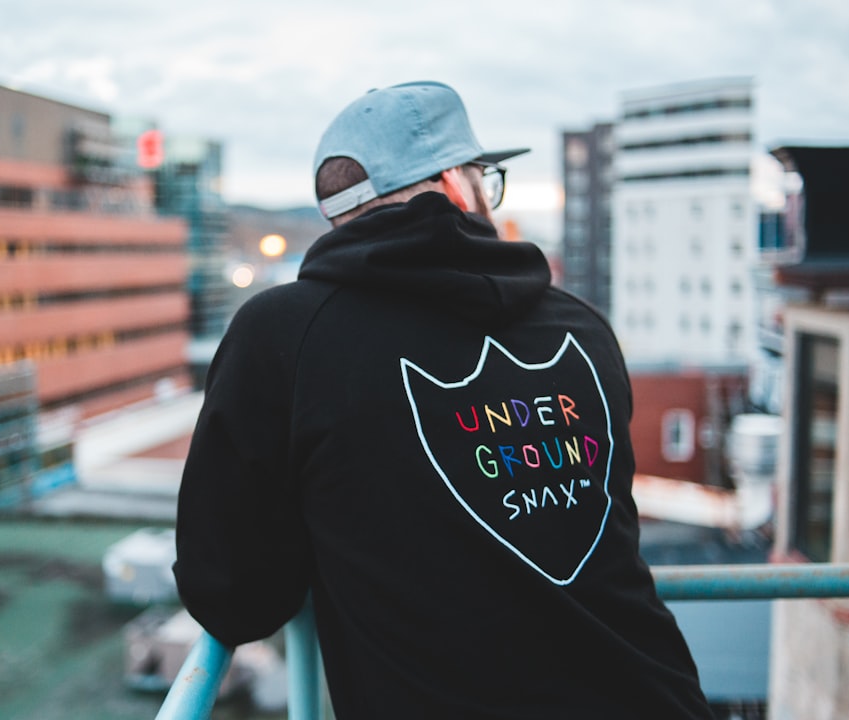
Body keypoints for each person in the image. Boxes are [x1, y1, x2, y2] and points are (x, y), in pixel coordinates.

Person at [173, 80, 712, 719]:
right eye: (488, 176)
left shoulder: (285, 335)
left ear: (340, 217)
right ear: (458, 183)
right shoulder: (582, 329)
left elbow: (232, 595)